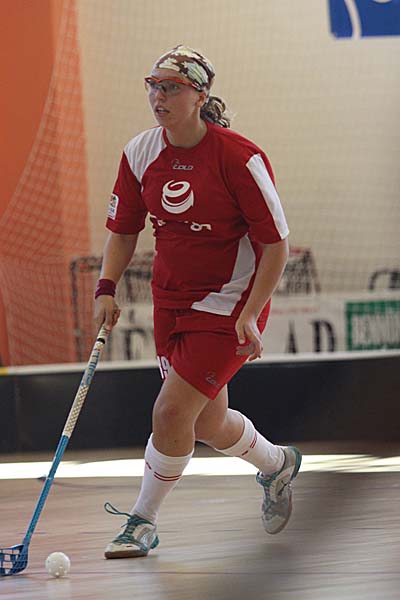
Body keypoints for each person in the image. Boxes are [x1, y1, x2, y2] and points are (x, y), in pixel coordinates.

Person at [94, 45, 301, 559]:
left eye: (171, 87)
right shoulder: (140, 153)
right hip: (170, 302)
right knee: (206, 423)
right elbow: (123, 230)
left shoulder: (240, 158)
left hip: (230, 303)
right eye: (153, 86)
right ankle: (277, 464)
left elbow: (276, 245)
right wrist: (106, 287)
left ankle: (142, 521)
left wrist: (251, 312)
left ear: (200, 96)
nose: (158, 96)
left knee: (170, 413)